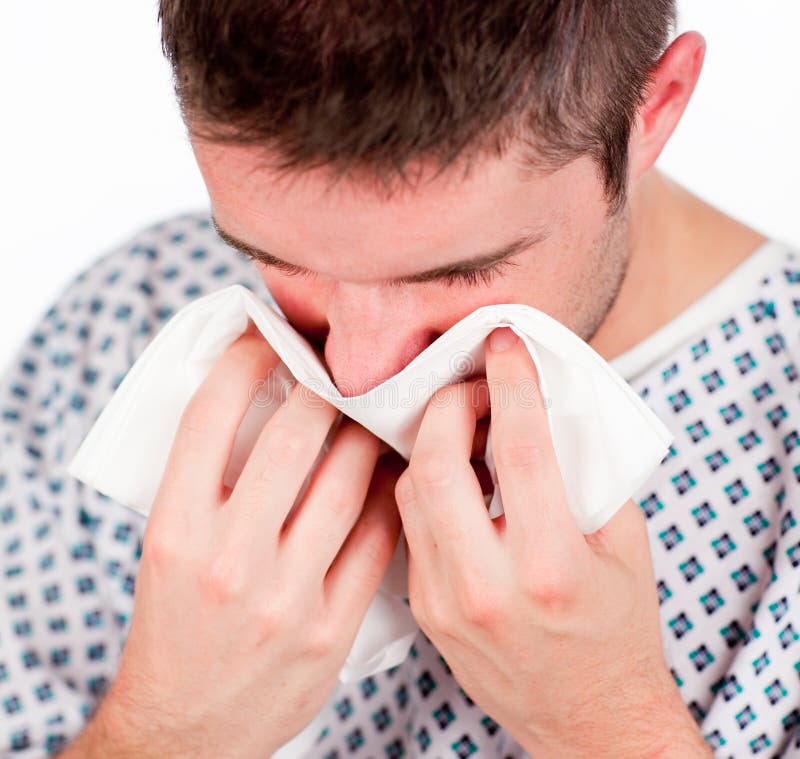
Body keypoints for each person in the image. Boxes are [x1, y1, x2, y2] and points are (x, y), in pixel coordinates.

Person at [1, 1, 798, 757]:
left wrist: (615, 727)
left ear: (653, 110)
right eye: (277, 259)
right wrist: (164, 729)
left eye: (460, 272)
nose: (359, 369)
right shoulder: (122, 323)